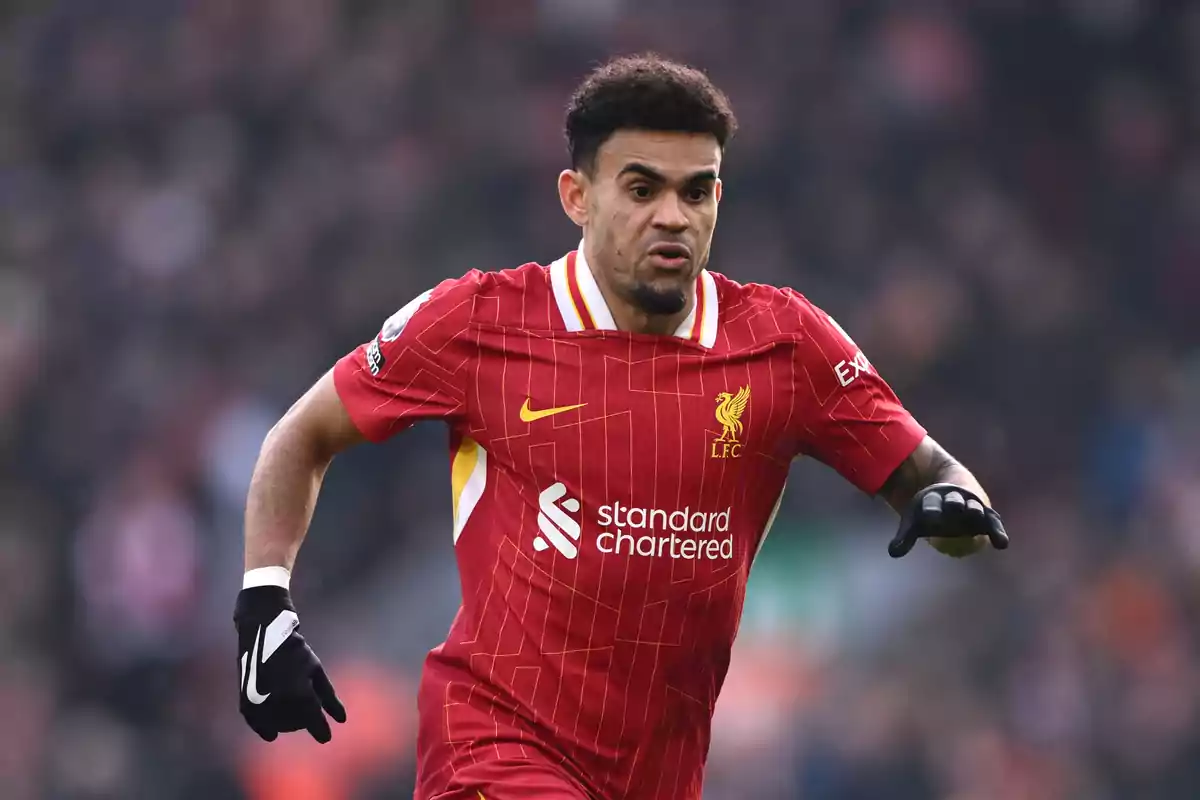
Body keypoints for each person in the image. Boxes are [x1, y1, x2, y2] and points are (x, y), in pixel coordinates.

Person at [233, 53, 1008, 800]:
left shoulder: (786, 343)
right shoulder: (480, 320)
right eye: (642, 189)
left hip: (659, 774)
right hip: (492, 755)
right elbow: (301, 437)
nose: (672, 216)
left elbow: (939, 481)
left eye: (696, 192)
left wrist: (955, 514)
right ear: (578, 195)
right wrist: (265, 603)